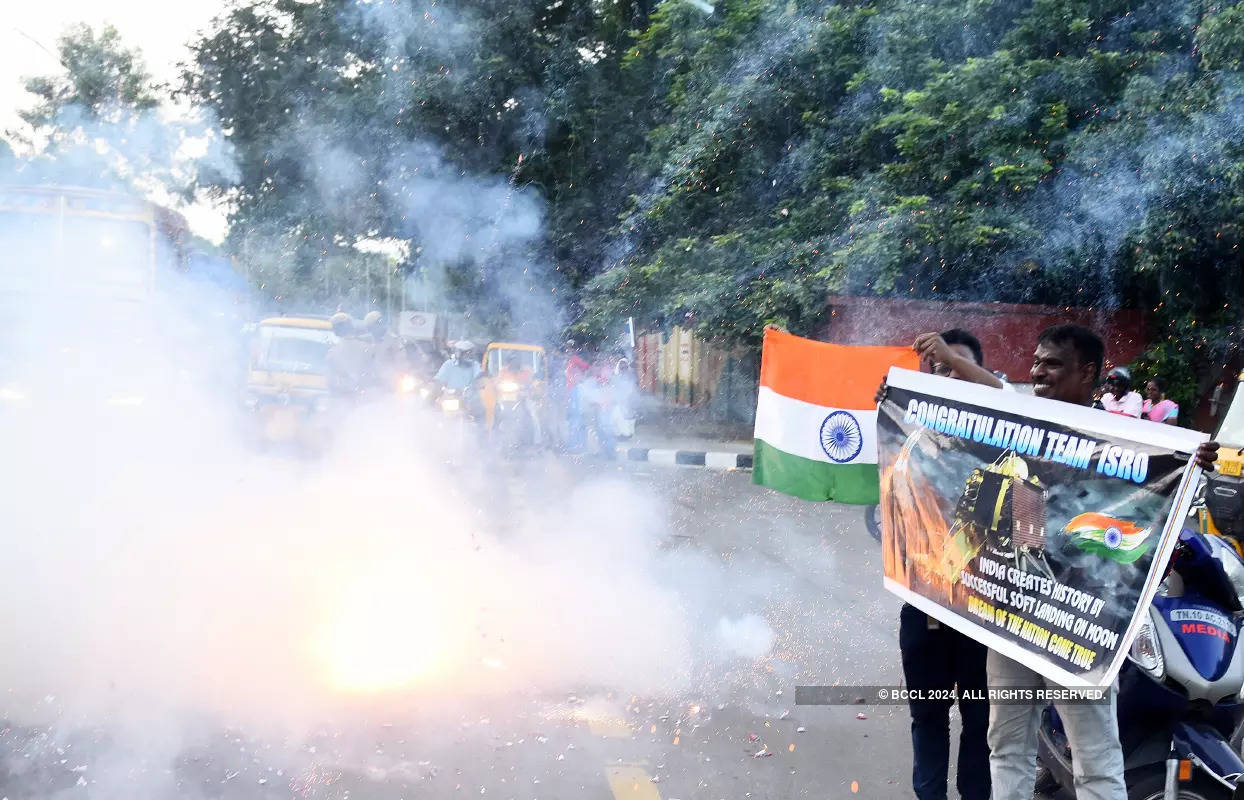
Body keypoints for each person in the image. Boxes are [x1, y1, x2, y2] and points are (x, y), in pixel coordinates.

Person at [989, 324, 1219, 800]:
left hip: (1078, 623)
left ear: (1087, 372)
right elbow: (966, 406)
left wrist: (1192, 460)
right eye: (1035, 362)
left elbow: (1162, 481)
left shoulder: (1124, 443)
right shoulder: (1020, 421)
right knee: (1007, 745)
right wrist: (901, 398)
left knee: (1094, 761)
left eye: (1051, 363)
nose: (1037, 372)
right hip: (1013, 611)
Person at [886, 329, 1001, 800]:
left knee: (980, 723)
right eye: (941, 369)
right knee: (928, 718)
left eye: (961, 367)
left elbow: (1004, 397)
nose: (950, 376)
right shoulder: (912, 434)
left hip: (986, 615)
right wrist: (887, 406)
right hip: (925, 609)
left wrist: (955, 361)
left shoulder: (1006, 437)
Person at [325, 312, 371, 395]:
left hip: (342, 397)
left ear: (336, 330)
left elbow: (330, 382)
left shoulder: (333, 352)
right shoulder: (366, 347)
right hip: (364, 397)